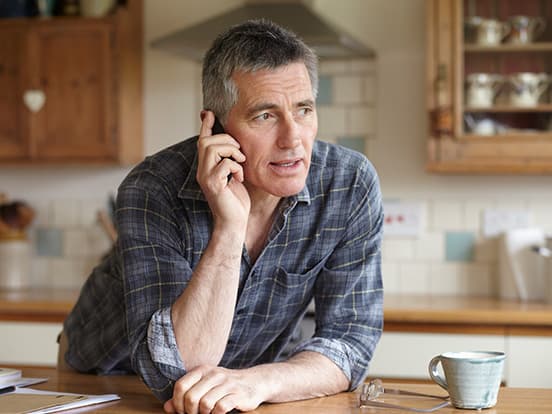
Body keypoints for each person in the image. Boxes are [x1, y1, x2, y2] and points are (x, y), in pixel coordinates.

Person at [62, 19, 383, 414]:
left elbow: (351, 342)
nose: (292, 138)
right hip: (104, 384)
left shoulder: (349, 184)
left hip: (239, 390)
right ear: (214, 125)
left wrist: (260, 381)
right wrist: (229, 228)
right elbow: (173, 375)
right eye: (265, 116)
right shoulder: (153, 188)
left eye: (303, 110)